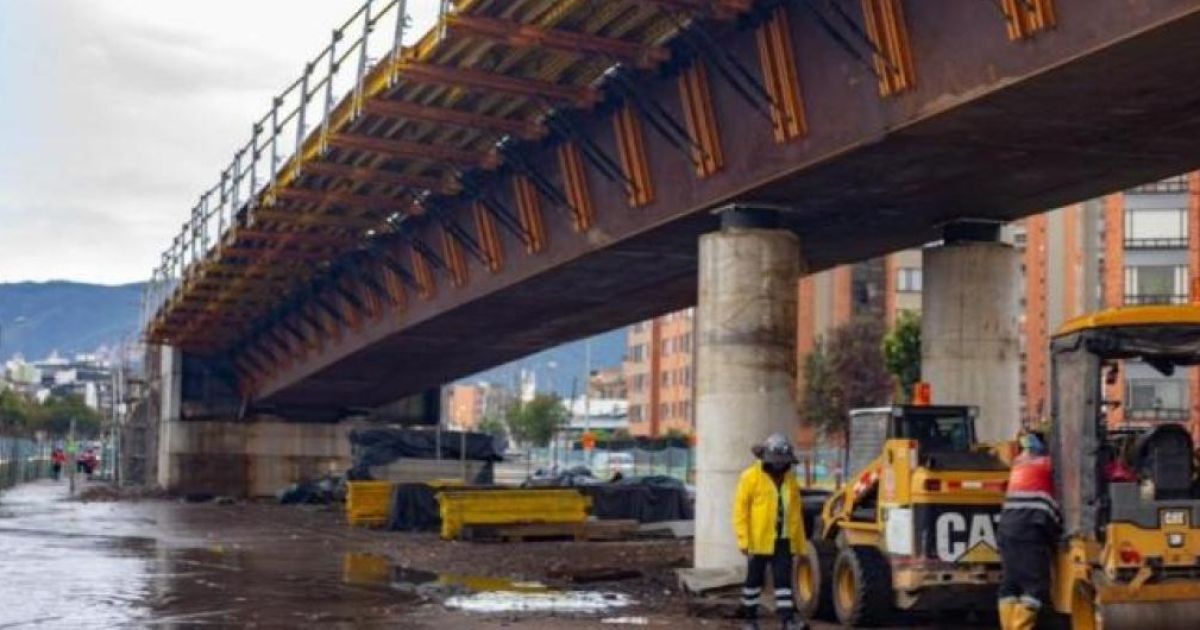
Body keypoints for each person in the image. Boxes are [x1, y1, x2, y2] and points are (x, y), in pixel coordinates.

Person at [733, 433, 808, 630]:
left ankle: (787, 620)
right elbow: (740, 511)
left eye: (783, 463)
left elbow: (795, 513)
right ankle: (750, 621)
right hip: (758, 540)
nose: (780, 466)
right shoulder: (750, 477)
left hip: (783, 539)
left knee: (784, 582)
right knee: (753, 582)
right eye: (776, 462)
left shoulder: (790, 480)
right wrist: (744, 540)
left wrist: (799, 543)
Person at [997, 430, 1061, 630]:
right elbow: (1050, 515)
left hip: (1007, 529)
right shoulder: (1047, 465)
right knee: (1035, 586)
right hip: (1028, 531)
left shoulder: (1019, 464)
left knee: (1011, 583)